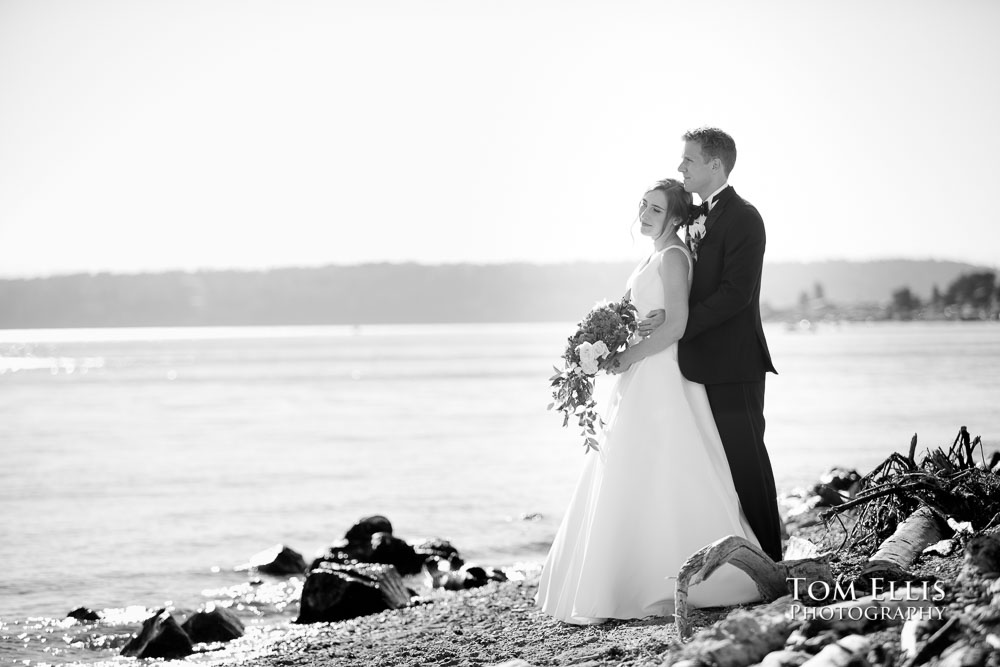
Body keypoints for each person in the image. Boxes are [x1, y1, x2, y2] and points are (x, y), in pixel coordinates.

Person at [535, 178, 762, 625]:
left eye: (655, 209)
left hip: (662, 376)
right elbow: (646, 317)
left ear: (675, 218)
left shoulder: (674, 255)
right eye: (642, 206)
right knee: (633, 468)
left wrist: (626, 357)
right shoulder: (655, 255)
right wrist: (609, 339)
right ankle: (626, 575)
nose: (643, 214)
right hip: (644, 370)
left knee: (662, 466)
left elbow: (676, 323)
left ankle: (681, 577)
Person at [641, 127, 782, 561]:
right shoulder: (696, 218)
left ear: (715, 165)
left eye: (689, 160)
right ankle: (741, 553)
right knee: (717, 468)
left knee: (747, 463)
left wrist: (679, 325)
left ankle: (773, 559)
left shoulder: (744, 218)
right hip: (699, 365)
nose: (680, 167)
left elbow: (735, 295)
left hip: (735, 364)